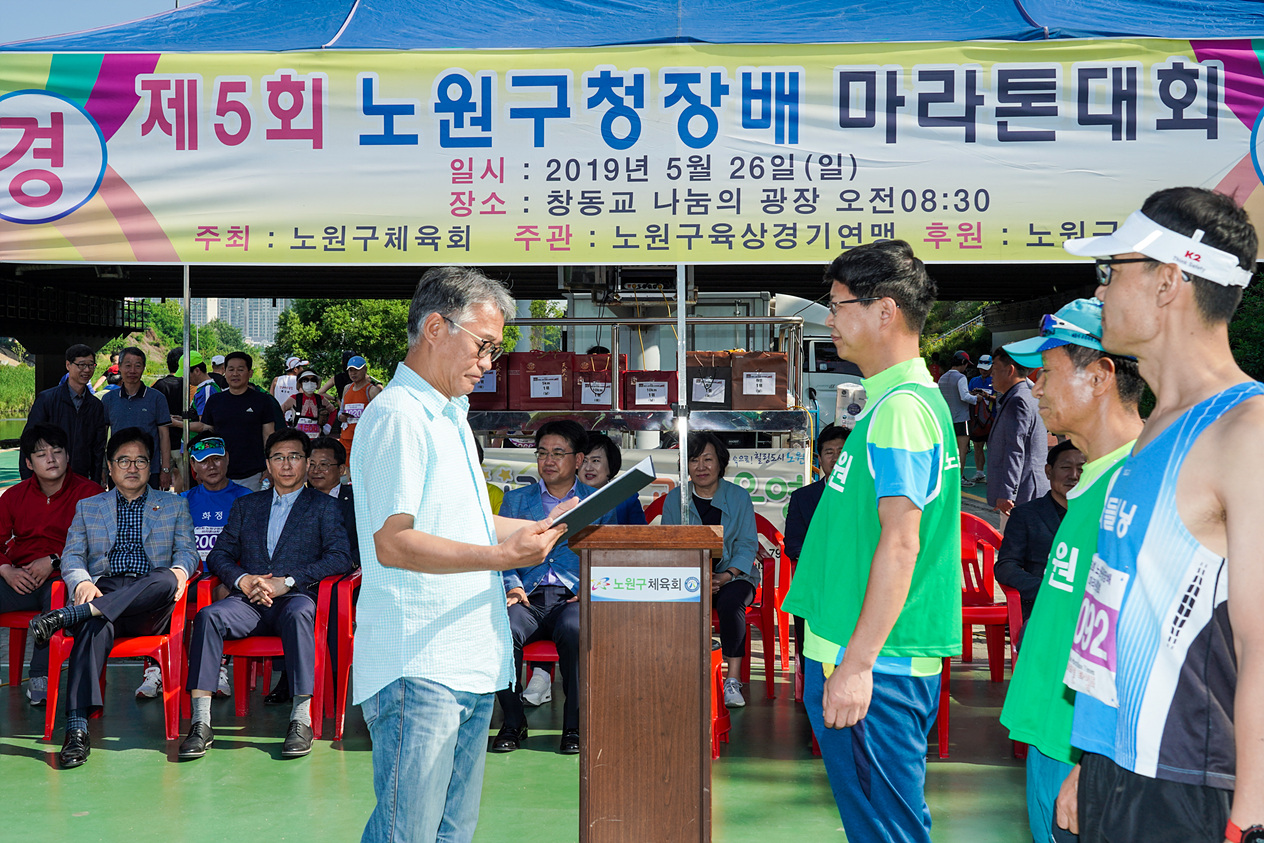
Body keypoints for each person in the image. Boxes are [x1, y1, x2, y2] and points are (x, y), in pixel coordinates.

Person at [1050, 188, 1264, 843]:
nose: (1102, 291)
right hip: (1119, 769)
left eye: (1112, 271)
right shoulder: (1153, 429)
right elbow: (1119, 606)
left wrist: (1249, 821)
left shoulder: (1244, 431)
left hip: (1187, 787)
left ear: (1170, 281)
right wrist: (1090, 757)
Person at [350, 266, 572, 843]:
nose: (487, 363)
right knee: (409, 833)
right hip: (419, 661)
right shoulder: (400, 417)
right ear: (433, 327)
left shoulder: (448, 417)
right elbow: (394, 542)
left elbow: (463, 522)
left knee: (450, 834)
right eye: (483, 346)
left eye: (496, 351)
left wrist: (540, 527)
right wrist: (506, 557)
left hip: (468, 658)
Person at [780, 240, 961, 843]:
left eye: (838, 305)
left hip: (876, 664)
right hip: (862, 654)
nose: (829, 319)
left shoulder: (902, 412)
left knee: (888, 830)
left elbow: (902, 544)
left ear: (884, 312)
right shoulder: (892, 406)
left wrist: (856, 665)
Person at [992, 297, 1145, 843]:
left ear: (1101, 375)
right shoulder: (1089, 485)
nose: (1035, 388)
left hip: (1085, 754)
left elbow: (1140, 638)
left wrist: (1093, 759)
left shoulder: (1135, 484)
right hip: (1051, 737)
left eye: (1048, 373)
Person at [27, 427, 197, 769]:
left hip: (152, 601)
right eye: (123, 460)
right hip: (104, 592)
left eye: (140, 461)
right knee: (93, 626)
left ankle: (73, 615)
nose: (132, 467)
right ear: (109, 466)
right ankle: (76, 731)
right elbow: (72, 556)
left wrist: (181, 571)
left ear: (150, 466)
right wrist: (82, 582)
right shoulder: (89, 507)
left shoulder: (174, 505)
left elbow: (188, 552)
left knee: (166, 578)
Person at [178, 429, 353, 760]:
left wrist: (287, 581)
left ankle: (300, 720)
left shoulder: (324, 507)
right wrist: (243, 580)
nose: (286, 465)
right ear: (268, 466)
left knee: (300, 611)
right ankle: (201, 723)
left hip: (294, 598)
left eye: (294, 457)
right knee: (208, 616)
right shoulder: (248, 505)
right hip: (248, 602)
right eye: (278, 458)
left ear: (305, 463)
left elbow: (340, 557)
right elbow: (219, 555)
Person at [492, 419, 615, 754]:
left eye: (558, 453)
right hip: (527, 596)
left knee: (576, 628)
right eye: (542, 452)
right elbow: (503, 556)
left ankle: (573, 727)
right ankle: (514, 722)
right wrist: (512, 587)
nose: (548, 460)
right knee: (502, 628)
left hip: (573, 596)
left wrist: (591, 587)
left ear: (577, 460)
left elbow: (610, 556)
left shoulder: (599, 502)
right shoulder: (516, 501)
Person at [0, 424, 102, 706]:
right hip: (19, 579)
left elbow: (99, 545)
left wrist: (55, 560)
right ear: (29, 463)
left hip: (63, 577)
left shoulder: (90, 492)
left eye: (57, 451)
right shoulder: (13, 496)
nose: (51, 459)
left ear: (68, 456)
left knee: (57, 599)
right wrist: (6, 570)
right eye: (42, 454)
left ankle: (41, 677)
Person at [661, 432, 760, 708]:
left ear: (720, 463)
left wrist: (725, 576)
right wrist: (697, 577)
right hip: (689, 576)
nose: (701, 467)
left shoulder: (738, 497)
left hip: (733, 577)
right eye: (694, 460)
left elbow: (747, 544)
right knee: (671, 602)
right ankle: (682, 672)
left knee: (731, 603)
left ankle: (732, 679)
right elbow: (669, 545)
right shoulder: (674, 500)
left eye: (708, 459)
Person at [175, 434, 251, 700]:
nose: (212, 466)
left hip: (229, 578)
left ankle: (219, 668)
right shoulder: (182, 500)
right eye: (203, 461)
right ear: (193, 467)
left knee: (226, 598)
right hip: (190, 578)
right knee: (158, 592)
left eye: (217, 458)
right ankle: (158, 670)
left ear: (227, 459)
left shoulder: (246, 498)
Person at [784, 423, 849, 674]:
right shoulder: (803, 497)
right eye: (829, 452)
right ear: (819, 459)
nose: (835, 457)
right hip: (817, 579)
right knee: (806, 597)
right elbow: (794, 544)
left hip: (855, 580)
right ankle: (811, 672)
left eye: (842, 451)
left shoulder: (867, 496)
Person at [995, 440, 1084, 622]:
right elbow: (1006, 566)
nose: (1074, 475)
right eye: (1066, 467)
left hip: (1089, 611)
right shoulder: (1026, 515)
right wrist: (1045, 590)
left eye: (1082, 469)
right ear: (1048, 471)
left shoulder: (1101, 516)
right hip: (1043, 610)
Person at [21, 344, 107, 484]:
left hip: (81, 479)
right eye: (81, 365)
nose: (87, 370)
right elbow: (29, 439)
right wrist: (28, 480)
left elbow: (98, 448)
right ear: (68, 365)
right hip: (50, 478)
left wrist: (96, 482)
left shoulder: (95, 405)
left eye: (91, 365)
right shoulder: (47, 399)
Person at [986, 346, 1050, 531]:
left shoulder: (1017, 400)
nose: (991, 373)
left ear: (1010, 370)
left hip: (1022, 493)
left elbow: (1015, 449)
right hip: (1028, 489)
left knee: (1016, 549)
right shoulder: (1026, 396)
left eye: (995, 368)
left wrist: (1007, 493)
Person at [200, 351, 276, 491]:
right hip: (220, 473)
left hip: (253, 474)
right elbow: (207, 435)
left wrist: (270, 468)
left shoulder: (262, 401)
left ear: (250, 373)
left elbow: (269, 436)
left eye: (240, 370)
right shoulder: (215, 401)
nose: (235, 374)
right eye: (231, 369)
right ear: (225, 371)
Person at [100, 347, 173, 490]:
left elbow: (164, 436)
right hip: (118, 468)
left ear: (144, 368)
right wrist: (103, 468)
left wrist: (165, 469)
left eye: (137, 366)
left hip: (150, 469)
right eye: (127, 365)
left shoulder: (157, 398)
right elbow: (102, 436)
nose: (132, 370)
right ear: (119, 367)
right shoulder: (109, 399)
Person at [581, 432, 647, 525]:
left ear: (611, 464)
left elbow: (642, 536)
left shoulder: (626, 500)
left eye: (595, 461)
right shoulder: (567, 496)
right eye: (584, 461)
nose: (588, 468)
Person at [938, 350, 980, 486]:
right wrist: (976, 398)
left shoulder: (942, 377)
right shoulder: (961, 377)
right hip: (961, 418)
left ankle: (948, 476)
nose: (966, 366)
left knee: (948, 449)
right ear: (963, 362)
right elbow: (964, 397)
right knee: (962, 450)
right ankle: (959, 477)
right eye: (966, 364)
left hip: (946, 419)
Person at [338, 355, 381, 469]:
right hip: (346, 438)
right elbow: (341, 411)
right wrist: (341, 416)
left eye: (356, 370)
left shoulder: (371, 390)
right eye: (350, 370)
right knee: (347, 471)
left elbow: (380, 416)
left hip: (364, 440)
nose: (353, 373)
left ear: (365, 370)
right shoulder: (347, 389)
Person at [281, 370, 334, 440]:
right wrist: (286, 427)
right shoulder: (294, 399)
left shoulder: (321, 399)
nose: (310, 383)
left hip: (316, 441)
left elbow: (333, 411)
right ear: (300, 384)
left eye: (313, 380)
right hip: (299, 440)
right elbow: (279, 411)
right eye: (305, 380)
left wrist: (328, 426)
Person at [967, 354, 995, 482]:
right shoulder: (974, 381)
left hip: (993, 419)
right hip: (978, 421)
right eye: (981, 368)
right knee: (978, 446)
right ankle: (979, 473)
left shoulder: (996, 380)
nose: (983, 370)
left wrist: (987, 397)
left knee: (993, 448)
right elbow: (967, 397)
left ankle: (994, 475)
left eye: (986, 368)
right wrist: (972, 395)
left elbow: (1002, 398)